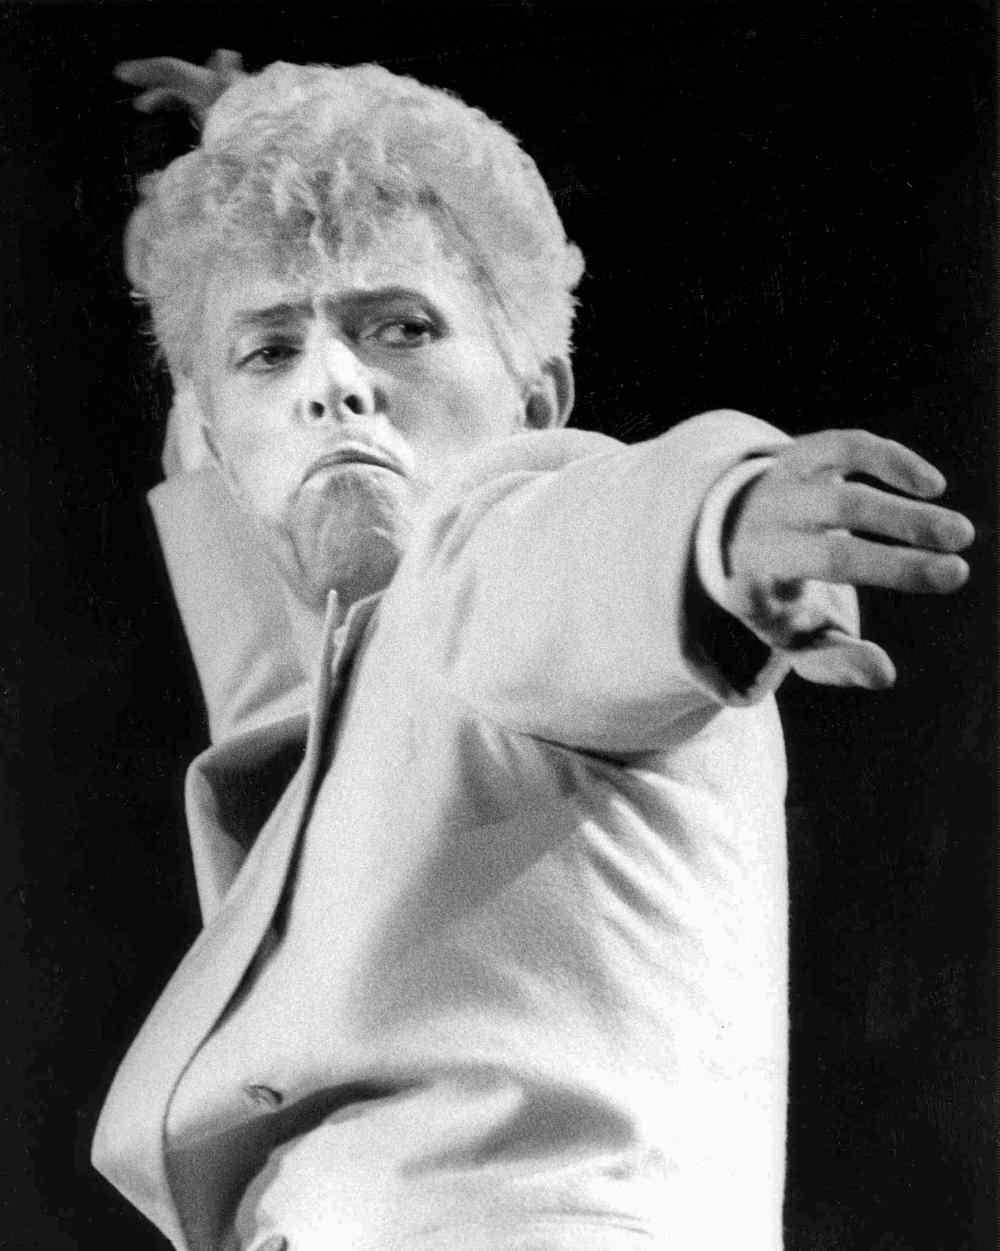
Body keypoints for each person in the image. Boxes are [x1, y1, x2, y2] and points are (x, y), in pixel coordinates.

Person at [93, 53, 974, 1251]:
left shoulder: (500, 555)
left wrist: (722, 525)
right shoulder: (364, 700)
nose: (335, 384)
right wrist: (245, 157)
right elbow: (278, 674)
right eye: (270, 352)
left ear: (539, 398)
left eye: (400, 329)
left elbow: (592, 542)